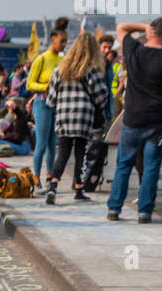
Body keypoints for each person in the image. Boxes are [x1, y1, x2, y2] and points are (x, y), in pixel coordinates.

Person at [105, 20, 162, 223]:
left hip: (132, 119)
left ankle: (114, 208)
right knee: (151, 167)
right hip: (157, 122)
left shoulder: (133, 50)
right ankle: (144, 211)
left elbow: (121, 27)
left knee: (123, 164)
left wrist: (141, 27)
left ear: (151, 32)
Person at [44, 33, 111, 205]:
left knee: (63, 151)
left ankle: (53, 186)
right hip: (83, 116)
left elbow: (50, 99)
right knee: (81, 151)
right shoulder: (91, 70)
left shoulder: (60, 70)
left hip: (63, 115)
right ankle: (79, 188)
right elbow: (102, 96)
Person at [25, 19, 68, 187]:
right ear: (52, 39)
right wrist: (46, 85)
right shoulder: (41, 59)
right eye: (61, 41)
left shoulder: (63, 60)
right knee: (41, 143)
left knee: (53, 144)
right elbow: (29, 84)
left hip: (57, 105)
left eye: (65, 41)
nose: (64, 44)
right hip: (42, 104)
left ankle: (50, 175)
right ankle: (36, 176)